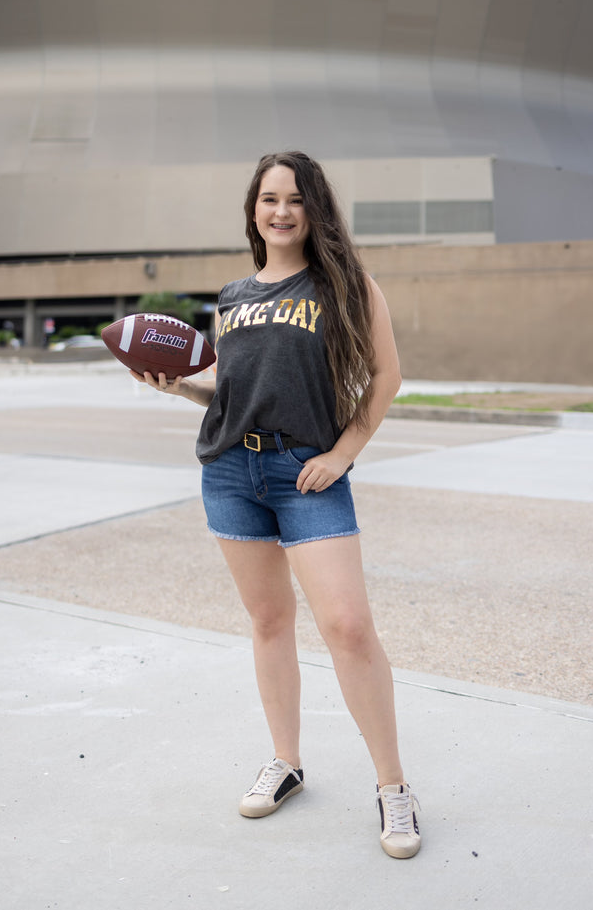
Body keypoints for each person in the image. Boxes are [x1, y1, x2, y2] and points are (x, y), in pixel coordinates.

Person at [132, 151, 421, 859]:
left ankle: (393, 787)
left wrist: (344, 451)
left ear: (313, 208)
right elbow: (229, 393)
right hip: (230, 470)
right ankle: (286, 761)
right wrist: (181, 387)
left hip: (306, 472)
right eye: (269, 199)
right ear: (253, 210)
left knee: (349, 627)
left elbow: (387, 377)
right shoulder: (231, 296)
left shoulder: (345, 283)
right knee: (268, 621)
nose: (281, 210)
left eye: (294, 198)